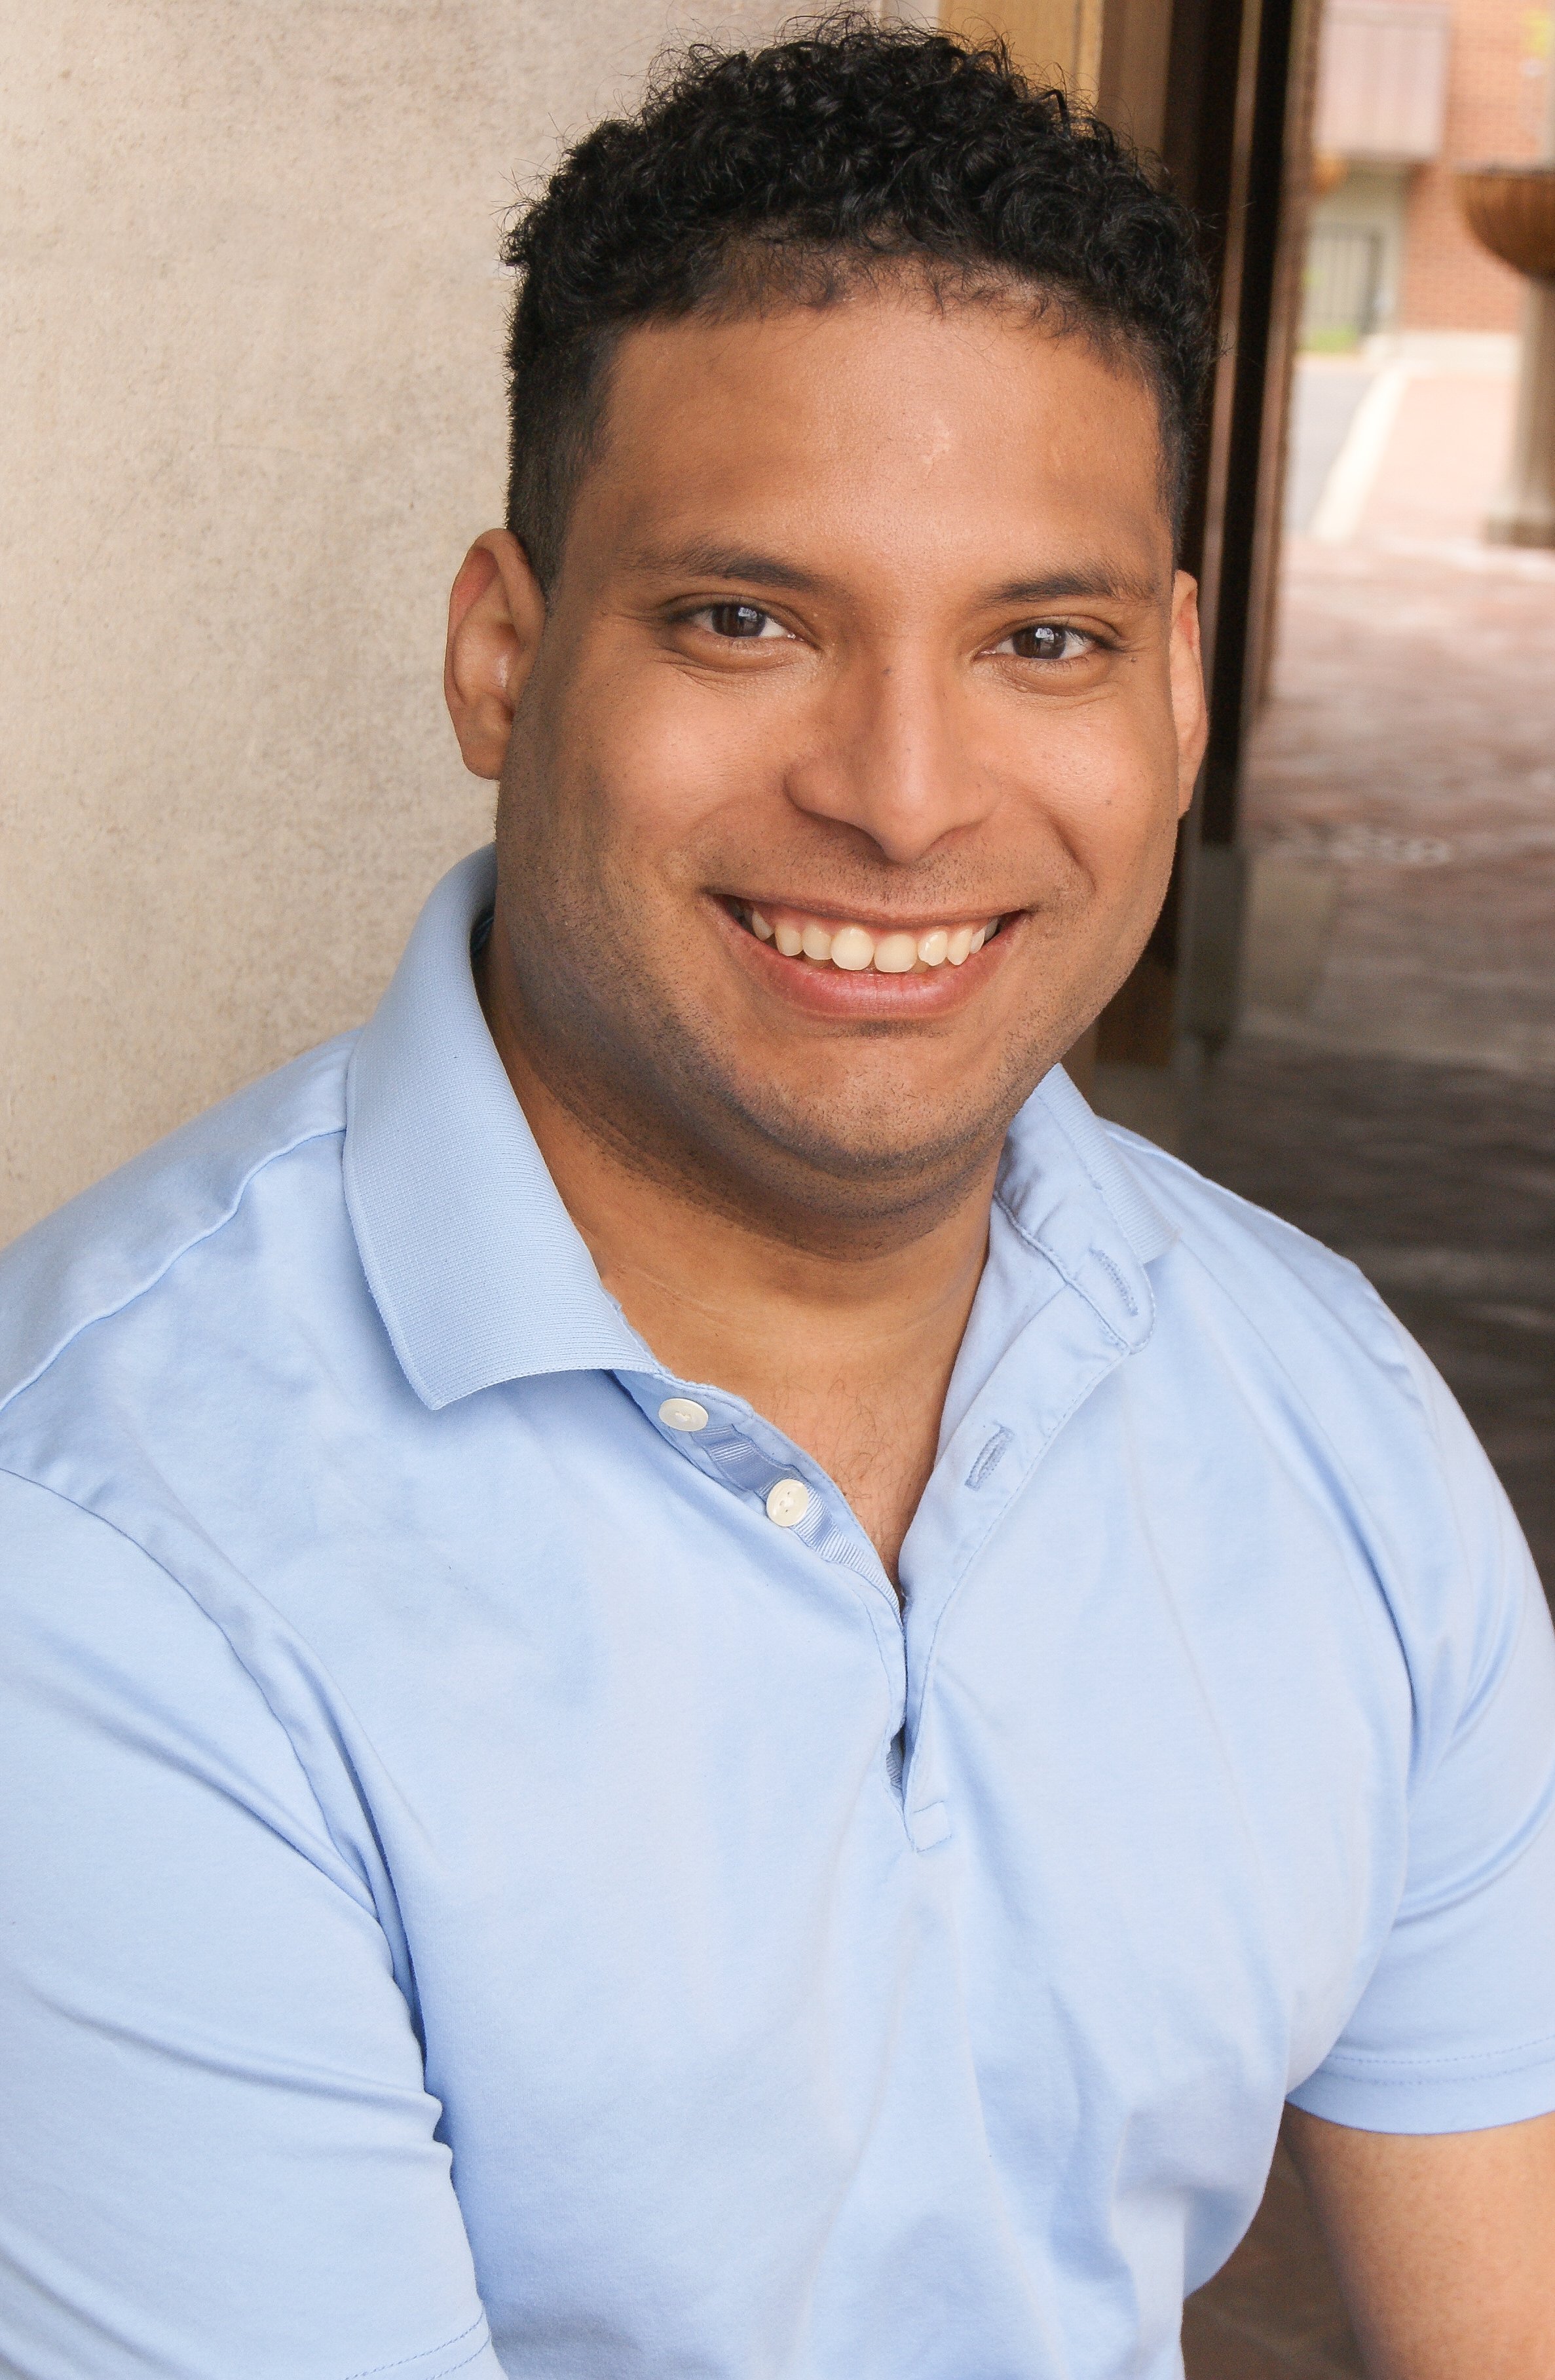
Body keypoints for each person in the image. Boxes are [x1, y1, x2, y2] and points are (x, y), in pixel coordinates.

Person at [2, 19, 1552, 2378]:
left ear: (1183, 692)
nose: (908, 796)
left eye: (1044, 639)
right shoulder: (107, 1557)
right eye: (747, 618)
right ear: (503, 658)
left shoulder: (1323, 1412)